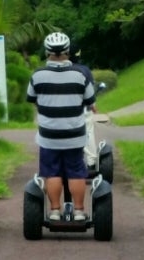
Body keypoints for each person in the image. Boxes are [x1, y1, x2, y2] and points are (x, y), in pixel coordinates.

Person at [27, 32, 96, 221]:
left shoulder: (38, 75)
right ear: (67, 51)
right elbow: (89, 101)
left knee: (51, 172)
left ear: (47, 51)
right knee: (76, 171)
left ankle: (55, 211)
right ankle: (80, 211)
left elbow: (32, 100)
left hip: (49, 136)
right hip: (74, 134)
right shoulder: (80, 75)